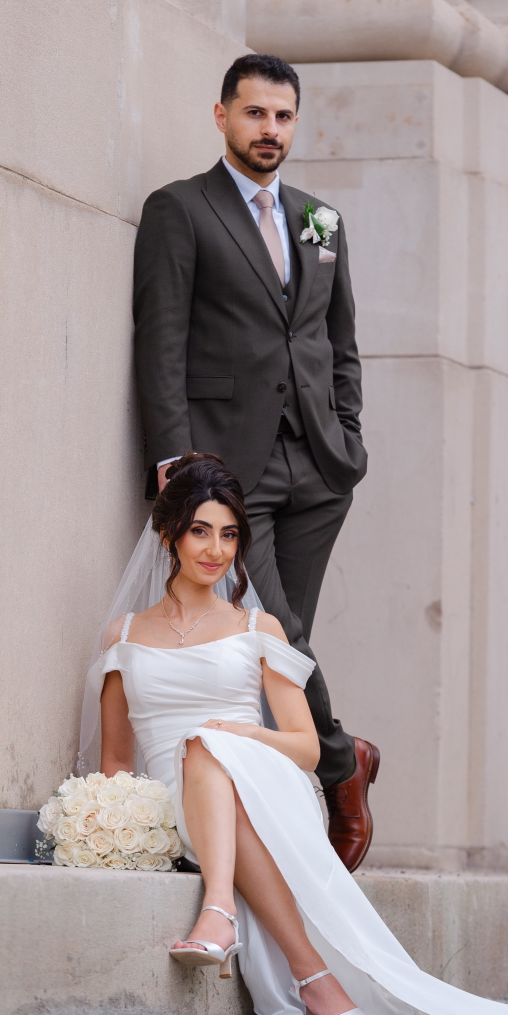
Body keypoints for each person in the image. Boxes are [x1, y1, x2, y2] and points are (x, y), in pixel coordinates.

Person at [97, 453, 508, 1015]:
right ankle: (312, 976)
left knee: (206, 745)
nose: (216, 549)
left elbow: (306, 748)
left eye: (229, 534)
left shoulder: (257, 628)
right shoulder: (124, 636)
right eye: (200, 530)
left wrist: (245, 733)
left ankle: (219, 912)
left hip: (263, 778)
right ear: (166, 531)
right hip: (177, 804)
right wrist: (108, 825)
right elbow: (117, 762)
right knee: (200, 753)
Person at [133, 54, 378, 872]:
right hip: (229, 474)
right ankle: (342, 768)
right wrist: (177, 464)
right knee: (282, 632)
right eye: (254, 114)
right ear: (221, 115)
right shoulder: (180, 210)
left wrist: (347, 432)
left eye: (282, 116)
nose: (269, 130)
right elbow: (160, 342)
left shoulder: (322, 221)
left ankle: (286, 805)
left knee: (279, 648)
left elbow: (338, 342)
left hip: (319, 464)